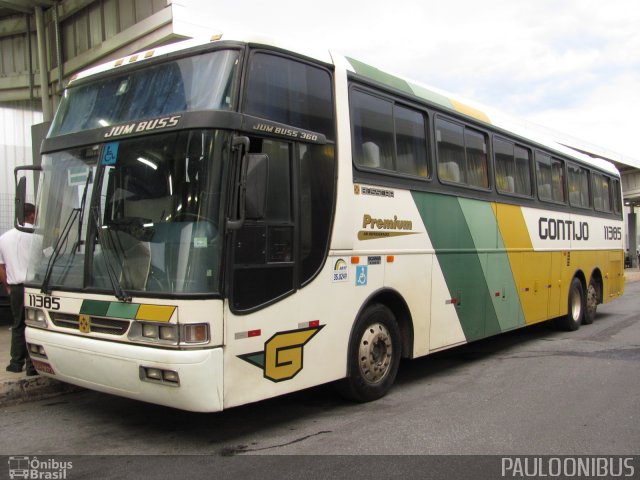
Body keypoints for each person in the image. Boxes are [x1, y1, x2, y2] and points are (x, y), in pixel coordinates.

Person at [0, 203, 37, 376]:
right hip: (33, 287)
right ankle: (32, 366)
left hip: (15, 288)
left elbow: (1, 266)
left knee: (17, 325)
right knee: (33, 325)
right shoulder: (37, 236)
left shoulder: (4, 237)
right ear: (30, 215)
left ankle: (16, 362)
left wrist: (7, 286)